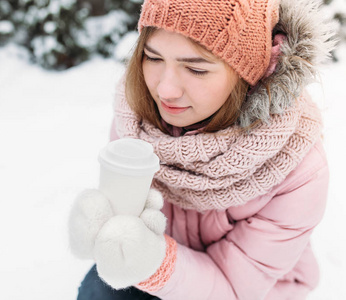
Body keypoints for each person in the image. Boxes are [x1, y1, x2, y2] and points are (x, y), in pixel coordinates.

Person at [68, 0, 338, 299]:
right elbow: (128, 219)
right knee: (100, 290)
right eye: (153, 58)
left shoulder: (297, 168)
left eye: (195, 69)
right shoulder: (135, 122)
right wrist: (102, 230)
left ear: (249, 75)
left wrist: (155, 261)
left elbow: (232, 288)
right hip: (157, 261)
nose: (164, 90)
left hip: (253, 291)